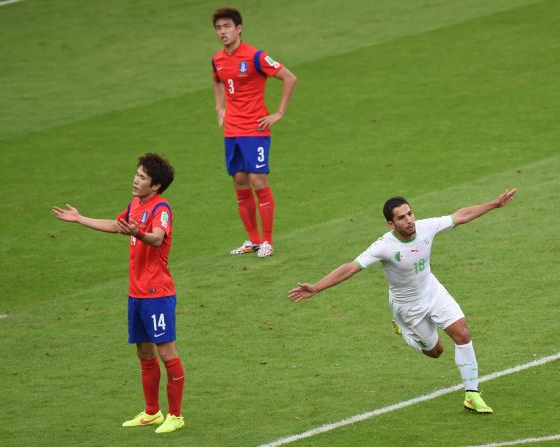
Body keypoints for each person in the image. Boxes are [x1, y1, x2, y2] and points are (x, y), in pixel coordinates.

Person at [288, 188, 518, 413]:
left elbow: (460, 216)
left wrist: (494, 204)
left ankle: (472, 394)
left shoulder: (426, 227)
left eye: (410, 213)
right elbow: (351, 267)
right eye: (401, 217)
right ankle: (405, 331)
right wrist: (316, 287)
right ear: (391, 224)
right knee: (436, 351)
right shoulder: (384, 246)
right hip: (408, 308)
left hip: (433, 291)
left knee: (462, 334)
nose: (409, 220)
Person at [52, 153, 186, 433]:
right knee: (144, 352)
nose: (135, 180)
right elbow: (117, 226)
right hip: (136, 293)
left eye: (141, 177)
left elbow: (158, 237)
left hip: (157, 293)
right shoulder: (136, 204)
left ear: (156, 185)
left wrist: (137, 233)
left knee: (166, 352)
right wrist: (79, 219)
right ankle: (152, 412)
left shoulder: (162, 208)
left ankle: (176, 415)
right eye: (136, 175)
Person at [210, 7, 297, 258]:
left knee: (259, 181)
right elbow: (217, 80)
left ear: (239, 29)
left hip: (255, 130)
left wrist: (279, 113)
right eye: (218, 28)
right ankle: (253, 240)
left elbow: (289, 77)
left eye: (227, 26)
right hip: (232, 131)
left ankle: (268, 241)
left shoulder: (256, 56)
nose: (222, 32)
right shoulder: (217, 59)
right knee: (239, 181)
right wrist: (220, 107)